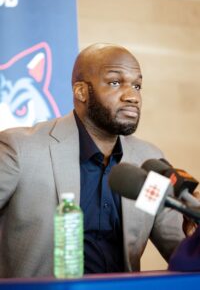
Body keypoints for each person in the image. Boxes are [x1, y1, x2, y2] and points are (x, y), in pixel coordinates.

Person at [0, 43, 185, 278]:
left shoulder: (149, 161)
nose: (132, 96)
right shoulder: (20, 149)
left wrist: (194, 230)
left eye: (137, 85)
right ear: (81, 92)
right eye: (115, 82)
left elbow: (179, 250)